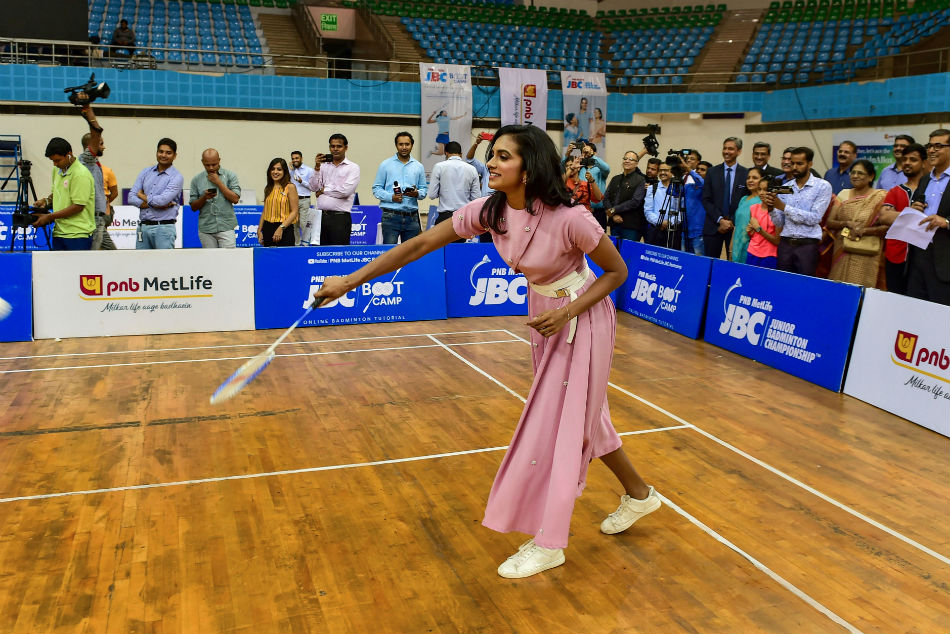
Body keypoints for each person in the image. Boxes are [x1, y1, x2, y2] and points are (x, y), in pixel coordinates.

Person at [314, 124, 660, 579]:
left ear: (530, 167)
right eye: (492, 154)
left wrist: (567, 312)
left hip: (583, 318)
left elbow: (616, 273)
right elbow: (418, 244)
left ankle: (550, 540)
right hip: (544, 311)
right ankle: (640, 494)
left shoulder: (571, 217)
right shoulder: (489, 210)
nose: (491, 163)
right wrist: (348, 281)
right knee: (582, 415)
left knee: (557, 425)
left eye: (503, 156)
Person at [761, 146, 833, 276]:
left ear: (810, 164)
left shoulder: (822, 186)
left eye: (799, 163)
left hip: (807, 245)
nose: (794, 167)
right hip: (785, 244)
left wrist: (783, 207)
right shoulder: (785, 187)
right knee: (782, 284)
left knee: (804, 286)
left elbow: (815, 218)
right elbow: (779, 223)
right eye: (792, 163)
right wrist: (771, 207)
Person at [904, 129, 950, 305]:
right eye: (930, 146)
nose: (931, 150)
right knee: (916, 312)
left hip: (944, 261)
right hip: (918, 256)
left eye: (938, 146)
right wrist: (913, 209)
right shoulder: (925, 180)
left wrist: (946, 222)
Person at [824, 159, 887, 287]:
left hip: (868, 249)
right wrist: (846, 223)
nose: (855, 176)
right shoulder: (843, 194)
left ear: (871, 177)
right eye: (853, 172)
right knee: (839, 286)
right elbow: (830, 222)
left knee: (863, 288)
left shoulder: (881, 196)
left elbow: (886, 226)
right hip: (843, 245)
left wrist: (863, 231)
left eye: (860, 173)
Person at [878, 143, 928, 294]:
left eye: (913, 159)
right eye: (905, 159)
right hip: (896, 254)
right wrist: (910, 213)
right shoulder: (895, 191)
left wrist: (898, 215)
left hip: (924, 257)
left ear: (924, 163)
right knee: (895, 295)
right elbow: (884, 216)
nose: (907, 162)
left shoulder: (931, 189)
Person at [32, 137, 95, 250]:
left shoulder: (80, 174)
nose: (54, 164)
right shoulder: (57, 170)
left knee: (77, 268)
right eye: (52, 161)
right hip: (59, 233)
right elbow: (57, 193)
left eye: (57, 160)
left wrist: (49, 217)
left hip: (78, 235)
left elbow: (78, 206)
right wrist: (46, 201)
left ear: (69, 154)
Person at [372, 132, 428, 244]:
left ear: (412, 145)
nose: (404, 147)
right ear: (396, 145)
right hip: (391, 216)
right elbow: (376, 189)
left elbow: (424, 190)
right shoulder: (385, 165)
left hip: (411, 217)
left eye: (407, 144)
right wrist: (391, 197)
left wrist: (417, 194)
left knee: (410, 255)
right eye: (400, 144)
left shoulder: (418, 166)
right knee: (390, 254)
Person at [130, 138, 183, 250]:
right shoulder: (145, 172)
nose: (163, 155)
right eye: (161, 151)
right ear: (156, 152)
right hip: (142, 228)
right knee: (141, 264)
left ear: (175, 156)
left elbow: (162, 201)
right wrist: (155, 204)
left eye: (168, 153)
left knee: (164, 265)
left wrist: (142, 196)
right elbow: (131, 197)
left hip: (163, 229)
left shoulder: (177, 177)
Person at [309, 134, 361, 246]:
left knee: (338, 254)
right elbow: (313, 187)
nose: (335, 149)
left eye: (339, 146)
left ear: (346, 148)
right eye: (332, 146)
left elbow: (345, 191)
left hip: (340, 218)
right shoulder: (323, 166)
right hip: (320, 217)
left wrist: (323, 190)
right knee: (319, 254)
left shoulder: (353, 167)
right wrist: (317, 168)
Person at [73, 98, 111, 251]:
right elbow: (96, 133)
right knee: (92, 258)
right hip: (93, 219)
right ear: (92, 146)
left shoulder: (94, 163)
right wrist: (88, 110)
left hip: (101, 218)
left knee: (113, 255)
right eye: (101, 143)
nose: (104, 146)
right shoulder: (87, 160)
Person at [702, 137, 748, 259]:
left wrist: (731, 221)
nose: (726, 151)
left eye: (731, 149)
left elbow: (745, 202)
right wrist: (720, 220)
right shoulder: (712, 172)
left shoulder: (746, 173)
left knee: (733, 264)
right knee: (710, 264)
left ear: (739, 151)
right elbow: (706, 199)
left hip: (735, 227)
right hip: (713, 225)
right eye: (725, 148)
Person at [189, 148, 241, 248]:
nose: (211, 168)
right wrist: (204, 197)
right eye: (207, 165)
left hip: (226, 226)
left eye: (214, 164)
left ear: (219, 160)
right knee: (210, 262)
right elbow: (193, 207)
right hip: (206, 229)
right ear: (202, 162)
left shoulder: (230, 176)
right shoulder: (196, 180)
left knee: (229, 259)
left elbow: (235, 199)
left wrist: (218, 182)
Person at [428, 141, 480, 240]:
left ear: (446, 153)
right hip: (463, 218)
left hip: (444, 218)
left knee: (443, 252)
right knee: (458, 252)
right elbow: (476, 198)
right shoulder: (472, 169)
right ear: (461, 154)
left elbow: (431, 195)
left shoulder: (439, 167)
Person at [603, 151, 647, 242]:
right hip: (614, 223)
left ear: (636, 163)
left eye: (631, 159)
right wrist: (613, 214)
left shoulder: (640, 180)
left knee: (628, 254)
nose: (627, 161)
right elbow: (606, 198)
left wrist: (613, 210)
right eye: (625, 158)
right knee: (615, 252)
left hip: (630, 225)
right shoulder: (615, 178)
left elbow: (635, 202)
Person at [258, 158, 298, 247]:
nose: (275, 172)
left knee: (286, 259)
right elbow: (265, 211)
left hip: (285, 228)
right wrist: (259, 230)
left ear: (284, 171)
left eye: (279, 169)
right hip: (267, 228)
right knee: (270, 259)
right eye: (273, 169)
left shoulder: (290, 187)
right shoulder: (268, 188)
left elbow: (294, 212)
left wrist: (281, 228)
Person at [731, 167, 765, 264]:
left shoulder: (763, 201)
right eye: (748, 178)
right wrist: (731, 248)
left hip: (752, 247)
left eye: (754, 178)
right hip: (737, 245)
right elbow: (737, 225)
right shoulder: (743, 199)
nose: (750, 180)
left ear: (762, 180)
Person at [644, 163, 682, 249]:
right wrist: (660, 222)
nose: (662, 172)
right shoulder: (652, 188)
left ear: (672, 172)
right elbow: (647, 210)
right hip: (654, 230)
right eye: (660, 170)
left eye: (666, 170)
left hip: (672, 230)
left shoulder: (678, 189)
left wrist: (670, 222)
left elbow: (680, 211)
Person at [745, 179, 781, 268]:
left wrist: (759, 229)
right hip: (752, 252)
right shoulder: (753, 208)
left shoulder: (778, 212)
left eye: (765, 190)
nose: (761, 193)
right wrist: (749, 231)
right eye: (759, 189)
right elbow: (753, 235)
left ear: (774, 191)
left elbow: (777, 241)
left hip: (769, 256)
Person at [578, 142, 610, 229]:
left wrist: (592, 155)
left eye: (590, 151)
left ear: (595, 153)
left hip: (598, 212)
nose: (587, 154)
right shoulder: (579, 169)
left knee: (600, 240)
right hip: (582, 211)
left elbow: (607, 168)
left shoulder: (600, 169)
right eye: (585, 152)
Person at [564, 153, 603, 219]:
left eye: (571, 165)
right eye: (567, 166)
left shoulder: (585, 184)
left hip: (585, 219)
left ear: (578, 168)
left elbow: (598, 198)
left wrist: (592, 181)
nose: (569, 167)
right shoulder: (563, 183)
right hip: (568, 219)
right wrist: (571, 168)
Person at [290, 151, 316, 245]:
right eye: (293, 158)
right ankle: (297, 244)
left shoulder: (309, 170)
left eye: (297, 158)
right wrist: (290, 170)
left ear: (301, 158)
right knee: (294, 224)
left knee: (304, 223)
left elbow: (313, 187)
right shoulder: (290, 171)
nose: (294, 160)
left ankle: (306, 244)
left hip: (304, 199)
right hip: (292, 201)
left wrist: (301, 181)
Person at [99, 161, 118, 250]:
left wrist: (104, 204)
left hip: (103, 212)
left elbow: (114, 193)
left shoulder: (107, 171)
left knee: (103, 242)